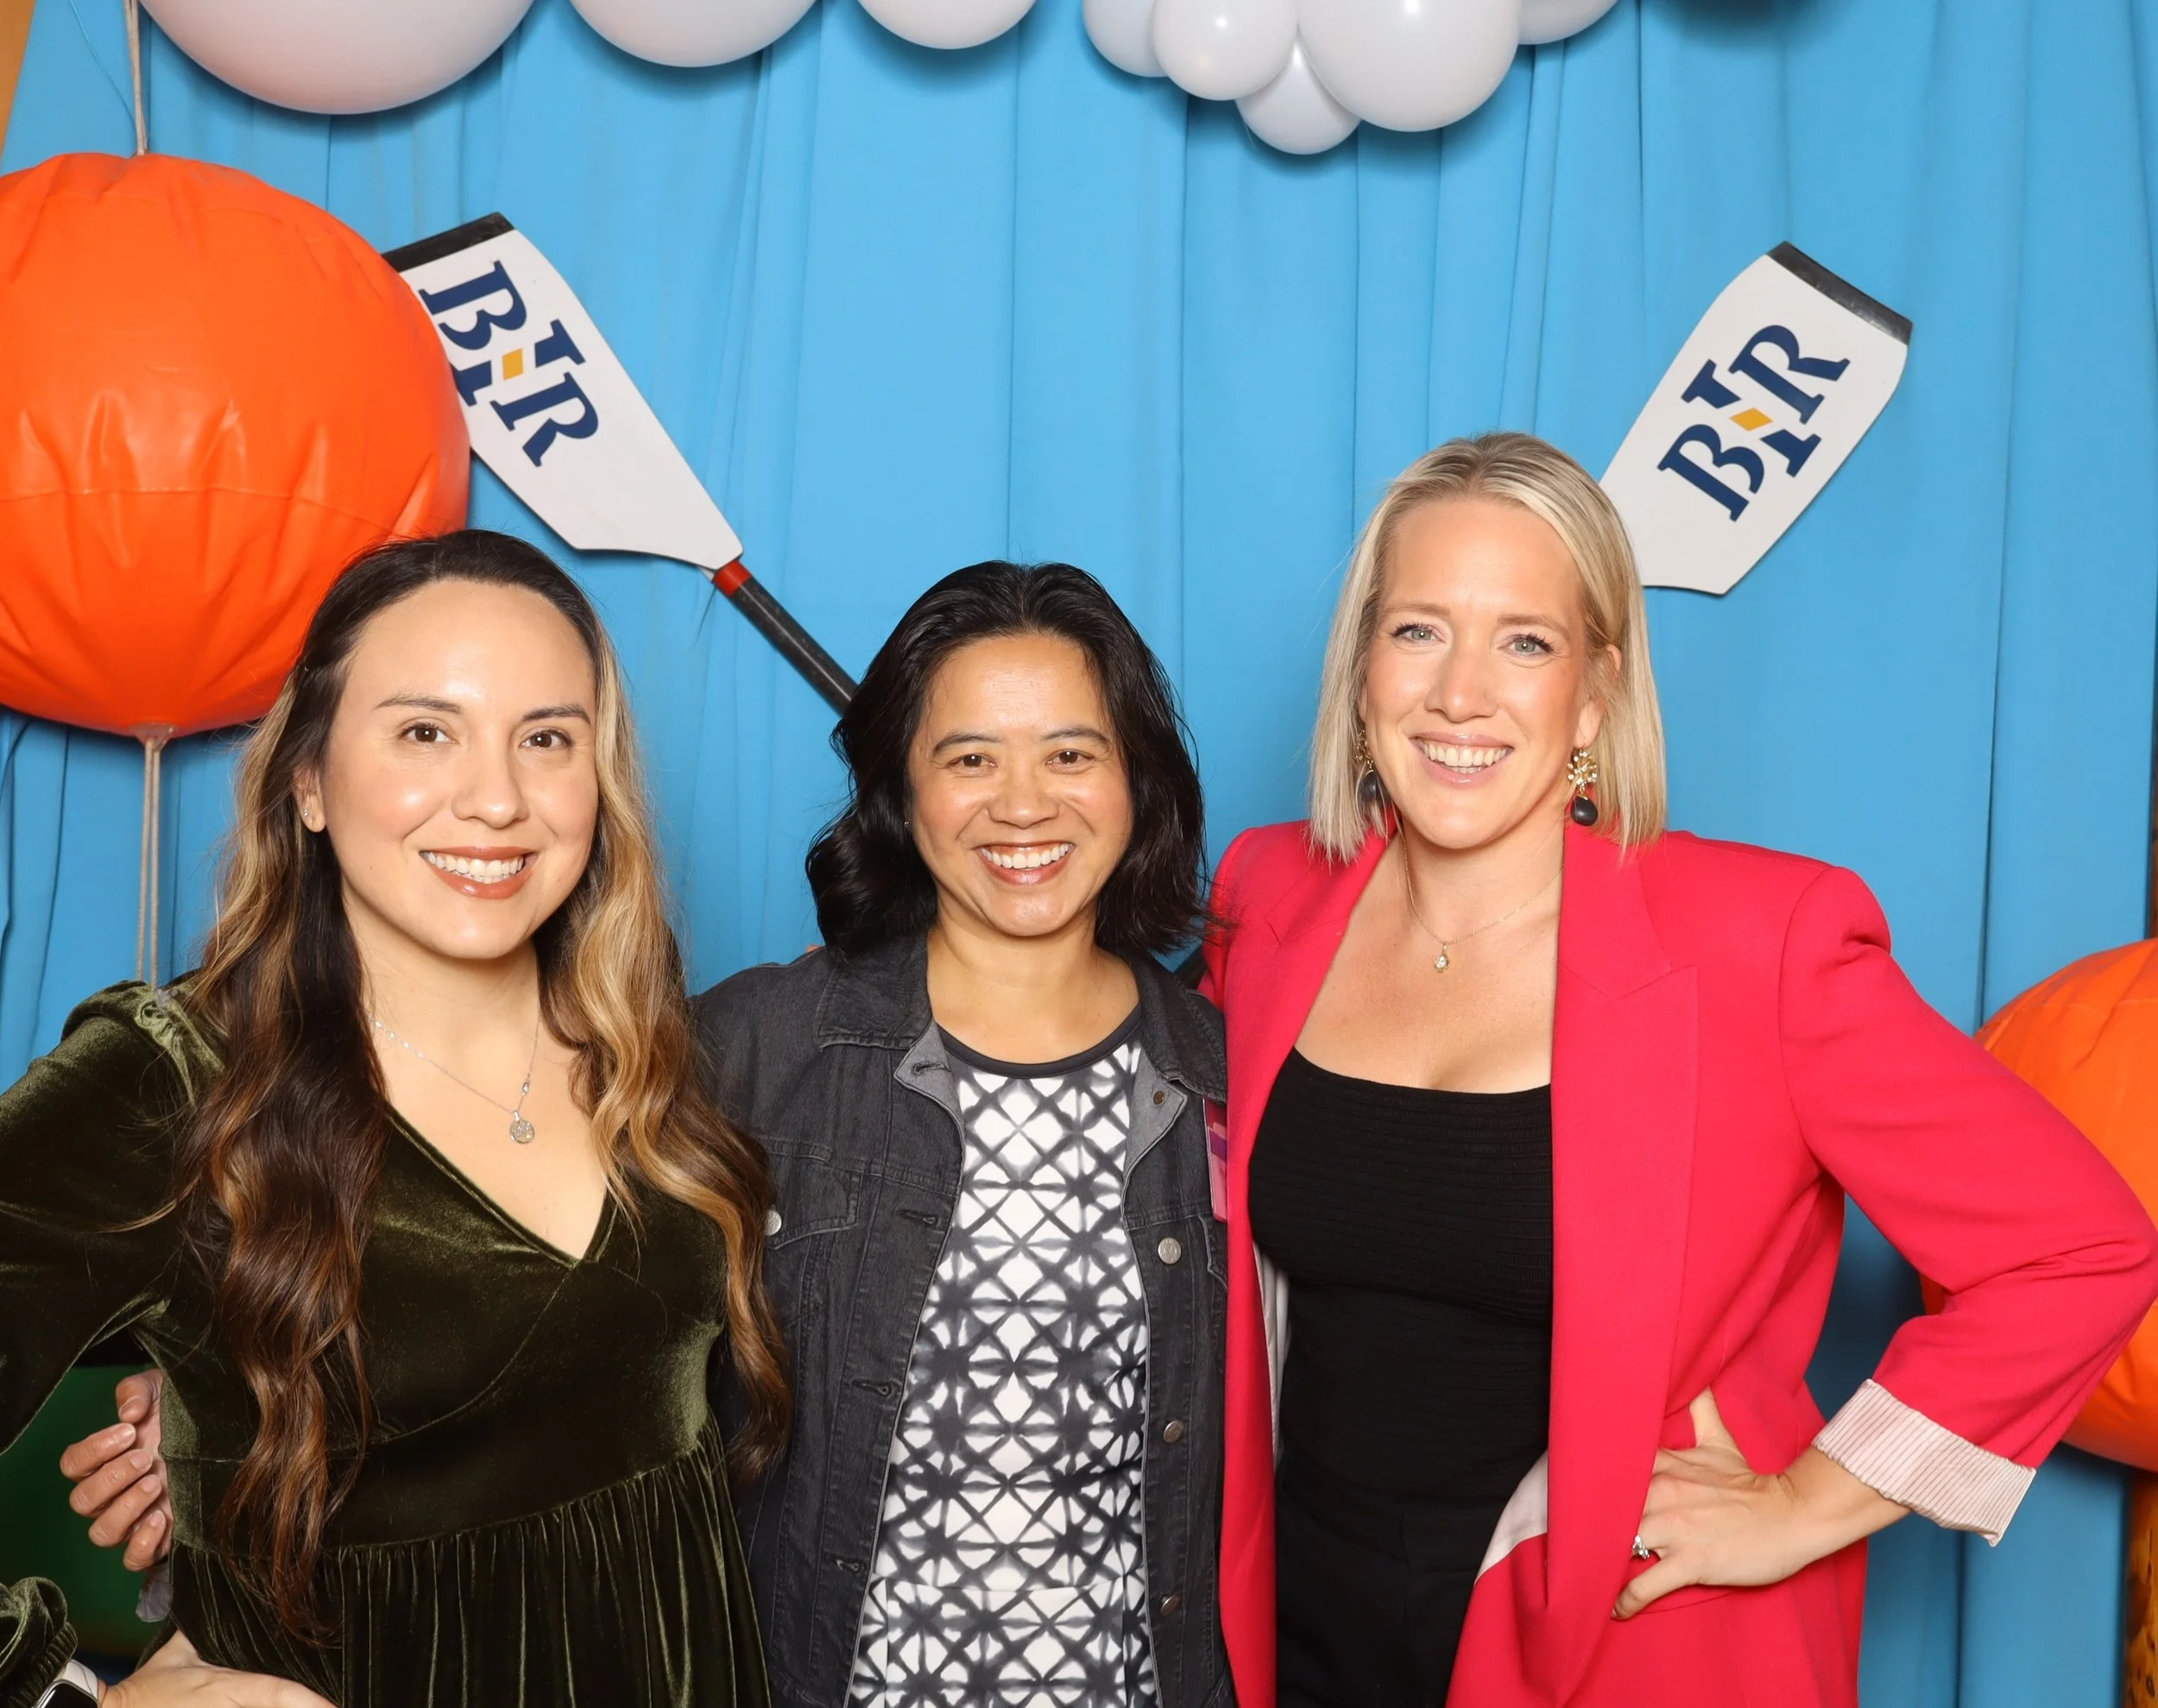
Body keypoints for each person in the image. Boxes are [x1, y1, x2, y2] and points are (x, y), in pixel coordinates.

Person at [66, 560, 1234, 1708]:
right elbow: (508, 1302)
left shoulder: (1224, 1068)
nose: (1023, 800)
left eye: (1072, 752)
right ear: (902, 789)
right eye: (968, 755)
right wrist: (231, 1412)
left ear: (1139, 778)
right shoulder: (744, 1051)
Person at [1202, 432, 2158, 1707]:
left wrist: (1818, 1496)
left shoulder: (1762, 943)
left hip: (1622, 1642)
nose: (1461, 693)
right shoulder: (1268, 899)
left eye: (1525, 642)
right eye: (1420, 630)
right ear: (1362, 664)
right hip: (1303, 1632)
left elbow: (2080, 1247)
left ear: (1595, 693)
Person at [0, 531, 786, 1708]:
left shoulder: (642, 1042)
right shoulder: (172, 1079)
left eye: (548, 738)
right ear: (308, 779)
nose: (496, 798)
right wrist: (68, 1696)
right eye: (426, 731)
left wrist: (248, 1412)